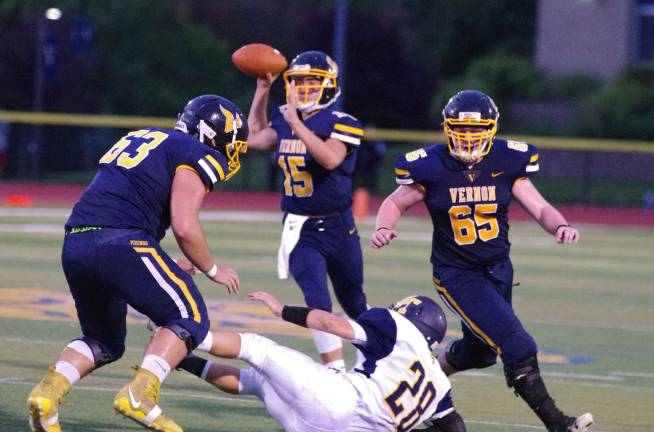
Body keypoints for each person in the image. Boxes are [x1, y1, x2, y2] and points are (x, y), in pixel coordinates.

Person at [370, 90, 594, 432]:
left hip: (499, 270)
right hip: (457, 273)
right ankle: (558, 423)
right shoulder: (432, 165)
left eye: (477, 129)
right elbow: (396, 201)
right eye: (461, 128)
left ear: (491, 129)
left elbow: (539, 207)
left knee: (480, 353)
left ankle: (417, 379)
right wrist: (384, 226)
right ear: (447, 127)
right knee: (517, 343)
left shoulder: (506, 160)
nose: (468, 136)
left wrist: (560, 224)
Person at [26, 94, 248, 432]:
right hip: (122, 240)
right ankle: (140, 394)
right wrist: (212, 269)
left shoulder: (145, 135)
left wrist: (166, 260)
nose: (230, 152)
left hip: (77, 241)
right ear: (210, 134)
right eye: (230, 142)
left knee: (104, 341)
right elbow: (185, 226)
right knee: (190, 316)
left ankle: (48, 393)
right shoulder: (196, 152)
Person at [172, 291, 466, 432]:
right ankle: (185, 359)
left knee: (256, 347)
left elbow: (329, 323)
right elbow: (454, 428)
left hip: (337, 401)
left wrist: (282, 310)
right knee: (259, 381)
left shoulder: (399, 329)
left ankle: (179, 336)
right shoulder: (440, 385)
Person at [247, 50, 368, 371]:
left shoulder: (343, 122)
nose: (304, 87)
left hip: (340, 226)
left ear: (329, 85)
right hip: (300, 228)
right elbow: (255, 137)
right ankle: (335, 374)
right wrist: (262, 91)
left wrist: (296, 124)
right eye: (298, 81)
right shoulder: (286, 119)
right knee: (318, 301)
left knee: (353, 299)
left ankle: (376, 357)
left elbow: (330, 158)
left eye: (313, 81)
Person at [352, 125, 386, 222]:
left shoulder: (376, 144)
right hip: (358, 170)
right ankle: (357, 213)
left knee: (364, 190)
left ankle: (360, 213)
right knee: (356, 189)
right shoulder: (360, 143)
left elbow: (378, 158)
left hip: (368, 171)